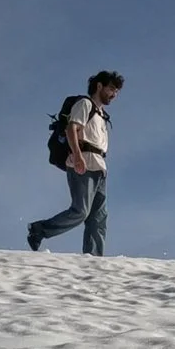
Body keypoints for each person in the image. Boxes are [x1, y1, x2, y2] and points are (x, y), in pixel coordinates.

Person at [28, 70, 122, 255]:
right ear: (99, 86)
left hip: (99, 168)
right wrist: (77, 156)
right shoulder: (85, 104)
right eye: (112, 89)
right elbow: (72, 128)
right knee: (80, 211)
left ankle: (93, 260)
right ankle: (40, 229)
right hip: (83, 163)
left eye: (117, 91)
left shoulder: (102, 115)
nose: (114, 94)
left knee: (98, 218)